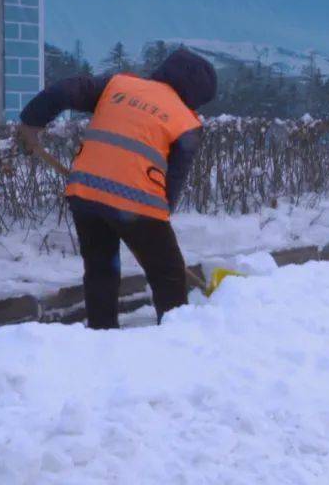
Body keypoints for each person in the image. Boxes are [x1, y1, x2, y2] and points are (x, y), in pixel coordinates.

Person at [17, 49, 218, 329]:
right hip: (138, 204)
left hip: (85, 193)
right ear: (196, 96)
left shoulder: (118, 84)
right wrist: (154, 231)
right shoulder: (186, 121)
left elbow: (65, 89)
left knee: (101, 268)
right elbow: (174, 179)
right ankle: (178, 338)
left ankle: (102, 334)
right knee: (168, 274)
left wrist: (31, 121)